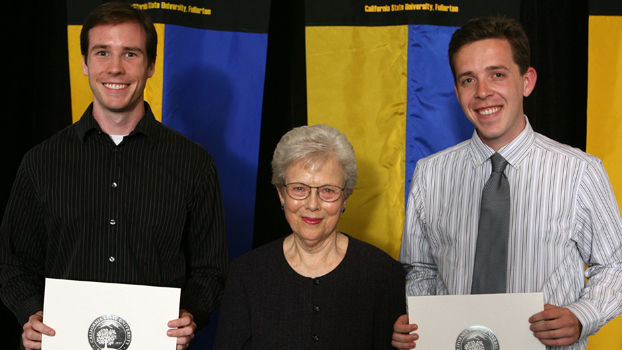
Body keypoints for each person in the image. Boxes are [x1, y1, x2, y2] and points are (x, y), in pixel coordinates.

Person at [0, 2, 228, 350]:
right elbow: (16, 264)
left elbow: (210, 269)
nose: (116, 68)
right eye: (103, 52)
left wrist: (190, 313)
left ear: (151, 65)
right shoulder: (41, 162)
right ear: (84, 62)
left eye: (131, 54)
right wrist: (31, 313)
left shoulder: (193, 163)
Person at [392, 16, 622, 350]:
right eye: (468, 80)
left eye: (497, 74)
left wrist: (582, 314)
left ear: (526, 81)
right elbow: (422, 270)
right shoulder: (430, 174)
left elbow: (616, 265)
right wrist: (420, 323)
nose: (483, 92)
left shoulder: (579, 172)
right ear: (457, 92)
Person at [213, 124, 405, 349]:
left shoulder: (384, 274)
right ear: (281, 193)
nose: (312, 205)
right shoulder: (246, 274)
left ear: (346, 198)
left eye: (327, 191)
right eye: (299, 189)